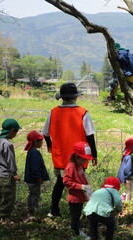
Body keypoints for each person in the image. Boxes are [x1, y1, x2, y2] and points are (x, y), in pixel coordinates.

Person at [43, 82, 98, 217]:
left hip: (60, 155)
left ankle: (54, 210)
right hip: (79, 156)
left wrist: (50, 144)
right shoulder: (83, 112)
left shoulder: (53, 112)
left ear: (62, 97)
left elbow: (45, 133)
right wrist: (94, 155)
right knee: (79, 183)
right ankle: (80, 213)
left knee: (60, 183)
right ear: (76, 97)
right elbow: (90, 136)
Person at [0, 118, 21, 220]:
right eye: (16, 131)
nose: (16, 134)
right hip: (7, 176)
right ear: (12, 131)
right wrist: (14, 173)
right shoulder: (8, 144)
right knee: (8, 199)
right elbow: (10, 160)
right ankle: (2, 219)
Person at [63, 141, 93, 238]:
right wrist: (81, 187)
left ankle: (78, 231)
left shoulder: (79, 166)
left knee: (78, 215)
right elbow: (66, 181)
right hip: (74, 198)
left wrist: (88, 189)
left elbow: (83, 179)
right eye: (83, 159)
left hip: (80, 197)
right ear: (76, 156)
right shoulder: (71, 167)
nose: (85, 162)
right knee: (75, 217)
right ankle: (75, 234)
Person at [24, 130, 50, 215]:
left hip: (30, 178)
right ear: (35, 142)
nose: (42, 142)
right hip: (34, 179)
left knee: (31, 193)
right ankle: (34, 210)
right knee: (35, 194)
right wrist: (38, 177)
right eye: (40, 140)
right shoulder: (35, 152)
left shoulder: (31, 151)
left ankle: (30, 208)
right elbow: (35, 167)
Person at [117, 138, 133, 202]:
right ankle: (127, 204)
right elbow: (128, 168)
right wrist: (129, 176)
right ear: (132, 148)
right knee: (129, 192)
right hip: (128, 177)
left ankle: (123, 196)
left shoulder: (125, 156)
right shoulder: (129, 157)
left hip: (124, 176)